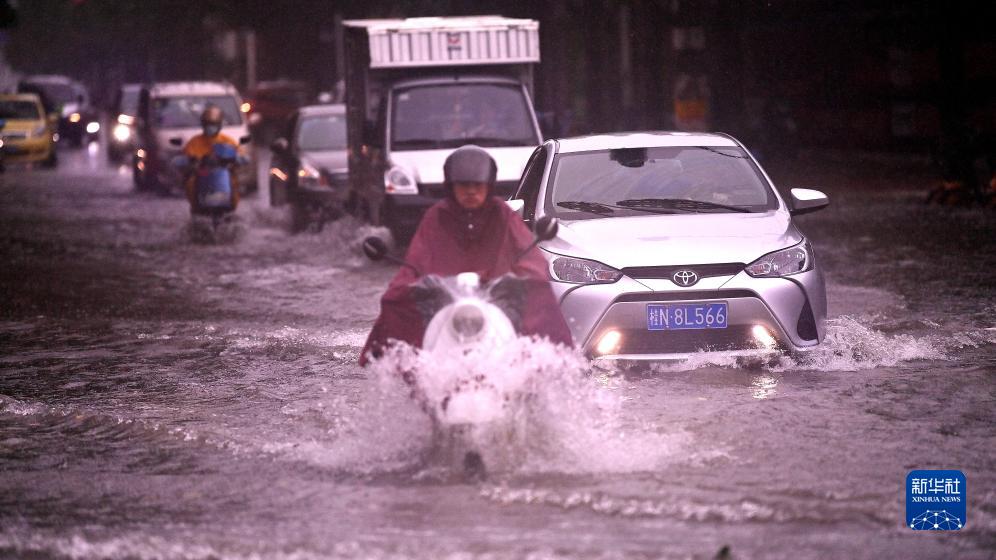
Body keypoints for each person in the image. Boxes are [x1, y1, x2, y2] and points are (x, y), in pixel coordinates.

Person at [360, 145, 573, 365]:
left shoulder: (503, 215)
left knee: (541, 293)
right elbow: (416, 261)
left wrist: (523, 278)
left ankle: (553, 363)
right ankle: (400, 364)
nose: (471, 191)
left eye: (477, 185)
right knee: (393, 298)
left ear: (488, 186)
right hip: (444, 299)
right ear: (450, 187)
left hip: (497, 297)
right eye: (463, 185)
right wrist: (411, 284)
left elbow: (530, 259)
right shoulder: (436, 216)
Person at [179, 106, 244, 214]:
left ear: (219, 125)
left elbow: (239, 154)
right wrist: (189, 162)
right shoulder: (194, 142)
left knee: (235, 182)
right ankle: (196, 207)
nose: (210, 127)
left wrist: (239, 159)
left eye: (213, 124)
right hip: (202, 178)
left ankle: (232, 207)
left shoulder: (228, 141)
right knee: (190, 183)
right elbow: (186, 158)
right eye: (208, 124)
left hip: (223, 178)